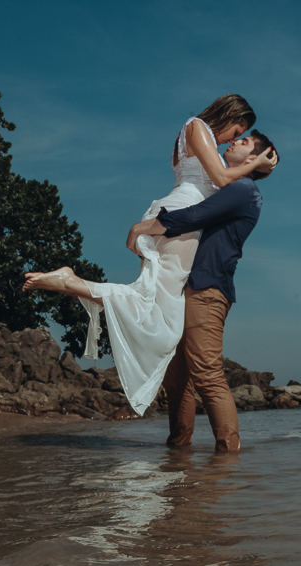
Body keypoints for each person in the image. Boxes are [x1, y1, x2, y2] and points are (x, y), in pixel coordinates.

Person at [22, 96, 276, 414]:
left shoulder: (201, 136)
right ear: (228, 115)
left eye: (240, 137)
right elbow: (223, 180)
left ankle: (177, 452)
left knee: (158, 308)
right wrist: (258, 164)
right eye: (235, 131)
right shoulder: (198, 128)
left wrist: (256, 165)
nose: (231, 139)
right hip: (181, 217)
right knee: (160, 314)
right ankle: (70, 282)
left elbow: (226, 182)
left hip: (175, 216)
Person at [126, 129, 277, 453]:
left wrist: (144, 226)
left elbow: (195, 216)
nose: (234, 141)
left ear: (252, 159)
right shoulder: (233, 187)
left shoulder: (244, 190)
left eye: (244, 141)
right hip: (187, 289)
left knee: (206, 374)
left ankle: (228, 458)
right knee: (177, 380)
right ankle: (178, 456)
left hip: (207, 291)